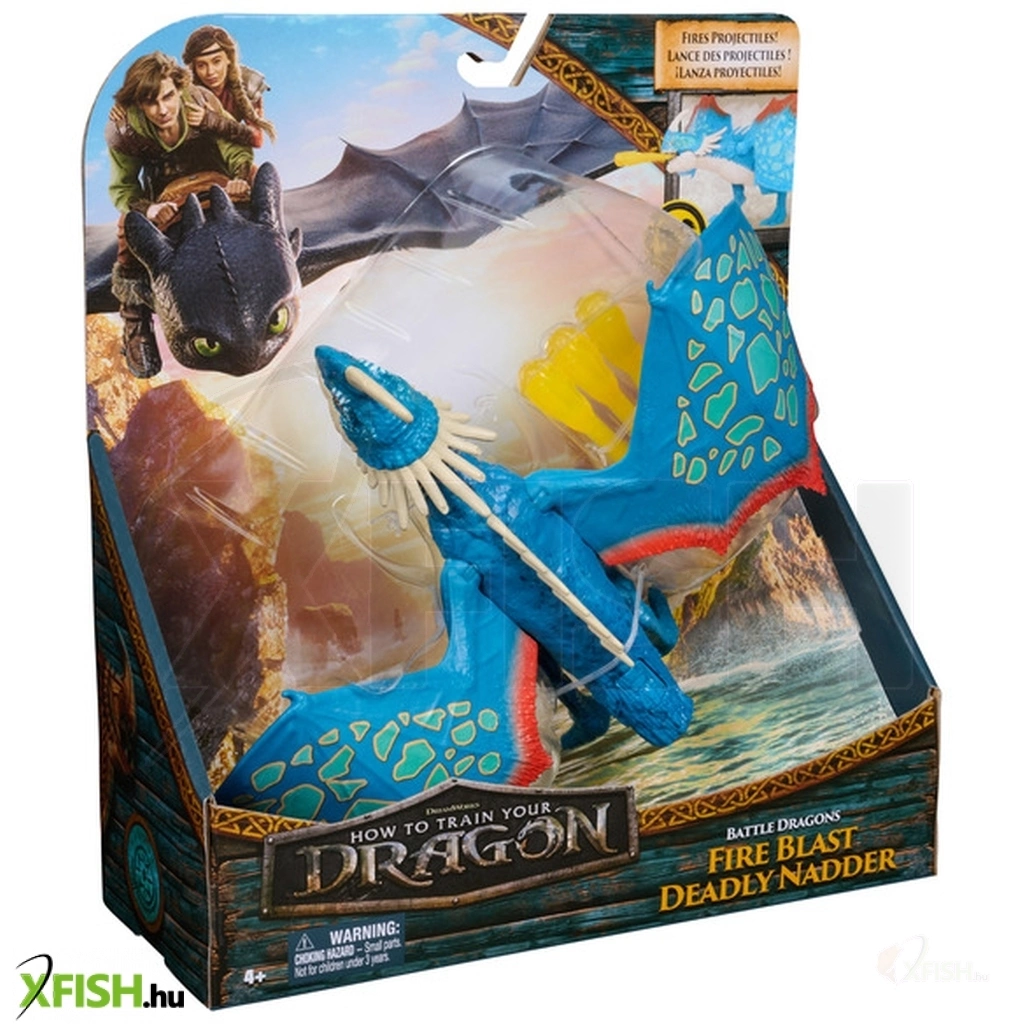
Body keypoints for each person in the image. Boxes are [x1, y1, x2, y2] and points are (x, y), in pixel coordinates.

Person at [106, 52, 255, 376]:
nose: (162, 109)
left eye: (168, 97)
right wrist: (149, 208)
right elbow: (122, 188)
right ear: (138, 104)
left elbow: (234, 147)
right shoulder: (124, 130)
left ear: (179, 89)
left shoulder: (201, 102)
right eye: (150, 102)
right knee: (127, 231)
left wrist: (240, 177)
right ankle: (136, 322)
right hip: (166, 199)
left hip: (218, 184)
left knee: (262, 184)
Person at [182, 25, 275, 148]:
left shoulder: (248, 84)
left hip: (232, 152)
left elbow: (256, 139)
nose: (210, 72)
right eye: (201, 65)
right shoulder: (185, 91)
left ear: (229, 58)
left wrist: (213, 120)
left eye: (216, 61)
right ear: (194, 67)